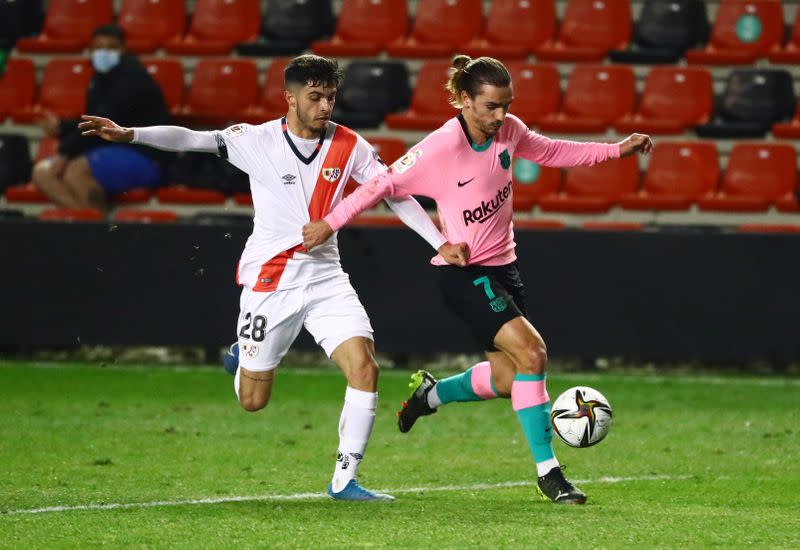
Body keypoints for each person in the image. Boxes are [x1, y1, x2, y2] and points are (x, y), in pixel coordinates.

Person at [79, 54, 468, 502]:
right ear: (290, 98)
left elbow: (393, 195)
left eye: (331, 98)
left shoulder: (350, 145)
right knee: (252, 401)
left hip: (326, 277)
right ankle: (241, 359)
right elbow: (192, 138)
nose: (325, 107)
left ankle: (344, 480)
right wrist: (131, 134)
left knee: (364, 367)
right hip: (271, 280)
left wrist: (438, 242)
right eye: (315, 97)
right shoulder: (256, 140)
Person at [302, 55, 653, 505]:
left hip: (505, 268)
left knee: (509, 378)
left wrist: (614, 149)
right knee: (533, 353)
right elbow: (380, 186)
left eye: (506, 105)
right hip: (463, 274)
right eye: (491, 106)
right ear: (465, 101)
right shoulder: (440, 148)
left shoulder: (509, 130)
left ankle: (433, 395)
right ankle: (549, 474)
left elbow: (551, 151)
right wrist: (330, 224)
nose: (501, 115)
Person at [33, 24, 171, 211]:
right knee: (43, 173)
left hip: (146, 155)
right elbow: (94, 117)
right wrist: (62, 127)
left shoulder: (133, 78)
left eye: (111, 48)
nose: (103, 53)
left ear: (123, 49)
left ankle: (95, 231)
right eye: (98, 48)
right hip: (108, 150)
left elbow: (104, 120)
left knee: (76, 171)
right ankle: (86, 224)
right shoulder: (100, 78)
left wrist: (65, 153)